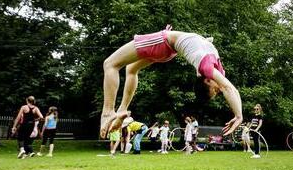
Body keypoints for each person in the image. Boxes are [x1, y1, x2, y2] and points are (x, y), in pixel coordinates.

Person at [100, 25, 242, 139]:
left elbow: (228, 88)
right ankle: (122, 110)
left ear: (207, 80)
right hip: (168, 51)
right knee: (131, 69)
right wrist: (238, 114)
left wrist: (238, 116)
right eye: (216, 91)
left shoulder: (206, 68)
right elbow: (230, 88)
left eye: (215, 90)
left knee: (110, 64)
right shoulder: (218, 71)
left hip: (163, 42)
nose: (219, 89)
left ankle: (108, 112)